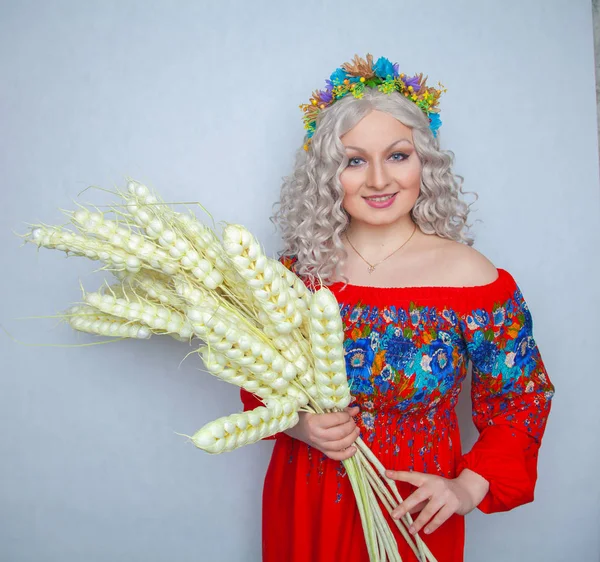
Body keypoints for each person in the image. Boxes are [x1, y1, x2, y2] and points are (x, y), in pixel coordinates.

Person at [240, 54, 555, 562]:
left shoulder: (471, 277)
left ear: (425, 162)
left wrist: (468, 488)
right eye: (354, 160)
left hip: (412, 509)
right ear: (326, 173)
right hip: (308, 492)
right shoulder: (296, 275)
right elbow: (256, 376)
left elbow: (522, 397)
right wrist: (300, 424)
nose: (379, 180)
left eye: (398, 155)